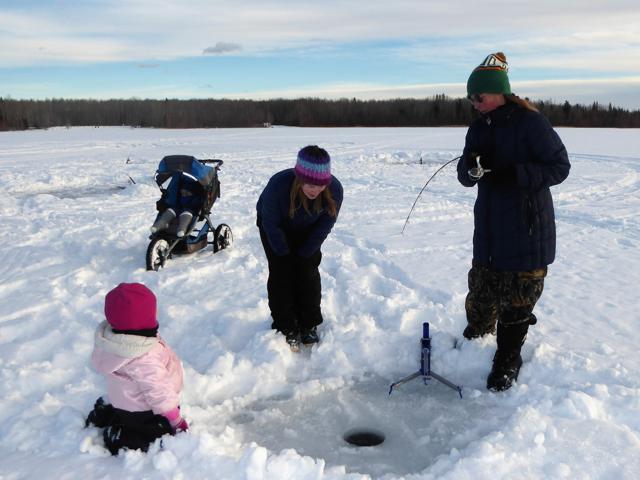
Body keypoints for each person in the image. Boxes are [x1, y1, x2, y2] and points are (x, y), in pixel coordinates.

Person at [457, 52, 571, 391]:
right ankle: (474, 342)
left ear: (498, 92)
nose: (475, 103)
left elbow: (559, 167)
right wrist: (473, 168)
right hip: (489, 230)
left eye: (479, 97)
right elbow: (465, 174)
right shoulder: (478, 127)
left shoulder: (530, 123)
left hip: (527, 229)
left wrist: (515, 173)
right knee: (480, 296)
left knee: (517, 301)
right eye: (470, 98)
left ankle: (508, 358)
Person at [256, 145, 343, 350]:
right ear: (299, 177)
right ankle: (285, 325)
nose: (315, 190)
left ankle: (309, 323)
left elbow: (324, 226)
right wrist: (284, 254)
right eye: (310, 184)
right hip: (275, 227)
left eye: (320, 185)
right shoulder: (278, 186)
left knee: (308, 271)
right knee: (281, 272)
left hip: (309, 228)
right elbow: (271, 223)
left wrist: (305, 253)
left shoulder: (335, 190)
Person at [86, 283, 188, 454]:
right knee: (158, 435)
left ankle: (107, 410)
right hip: (143, 410)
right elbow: (158, 390)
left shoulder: (115, 339)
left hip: (127, 400)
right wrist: (175, 419)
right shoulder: (143, 357)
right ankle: (116, 435)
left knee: (128, 414)